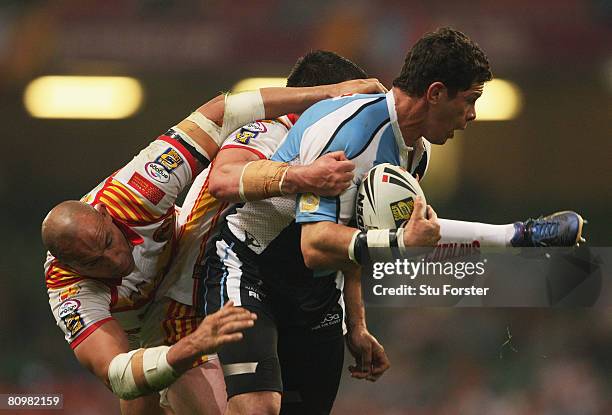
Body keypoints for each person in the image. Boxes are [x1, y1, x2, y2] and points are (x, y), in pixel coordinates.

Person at [201, 27, 585, 415]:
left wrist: (357, 322)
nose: (471, 115)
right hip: (251, 270)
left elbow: (361, 231)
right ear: (435, 93)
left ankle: (522, 234)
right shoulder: (349, 131)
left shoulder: (416, 153)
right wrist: (400, 242)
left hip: (315, 294)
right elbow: (315, 245)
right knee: (258, 408)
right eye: (470, 100)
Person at [42, 79, 386, 414]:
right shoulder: (67, 291)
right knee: (139, 395)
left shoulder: (136, 189)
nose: (116, 259)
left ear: (104, 214)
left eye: (107, 241)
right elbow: (116, 372)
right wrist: (191, 346)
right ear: (70, 266)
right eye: (94, 262)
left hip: (192, 256)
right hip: (147, 332)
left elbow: (220, 112)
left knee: (228, 177)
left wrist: (329, 93)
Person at [159, 50, 390, 413]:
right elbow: (224, 178)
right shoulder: (269, 131)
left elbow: (345, 236)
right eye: (357, 107)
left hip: (302, 297)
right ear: (331, 99)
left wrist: (356, 324)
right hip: (203, 291)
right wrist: (303, 176)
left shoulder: (348, 148)